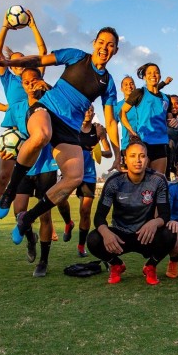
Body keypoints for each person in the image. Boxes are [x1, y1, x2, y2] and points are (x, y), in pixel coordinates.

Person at [0, 27, 122, 244]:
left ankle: (27, 218)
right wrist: (7, 63)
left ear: (115, 50)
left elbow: (110, 121)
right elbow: (40, 59)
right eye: (101, 42)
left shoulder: (108, 83)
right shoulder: (76, 56)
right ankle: (8, 194)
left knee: (74, 177)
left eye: (110, 45)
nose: (104, 48)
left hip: (69, 128)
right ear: (94, 43)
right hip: (46, 111)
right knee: (42, 134)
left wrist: (117, 154)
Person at [0, 8, 47, 241]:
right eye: (15, 60)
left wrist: (32, 25)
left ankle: (38, 224)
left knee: (37, 180)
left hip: (34, 128)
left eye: (23, 60)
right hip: (13, 131)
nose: (19, 63)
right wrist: (5, 27)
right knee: (2, 177)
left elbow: (42, 52)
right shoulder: (8, 77)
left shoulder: (34, 77)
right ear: (11, 64)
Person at [86, 140, 176, 285]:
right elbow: (99, 217)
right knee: (93, 239)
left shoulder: (158, 180)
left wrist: (154, 222)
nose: (138, 160)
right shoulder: (114, 182)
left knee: (170, 234)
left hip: (145, 235)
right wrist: (106, 233)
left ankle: (151, 266)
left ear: (147, 159)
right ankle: (116, 265)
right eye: (133, 156)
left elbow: (165, 214)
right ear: (125, 159)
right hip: (120, 237)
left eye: (142, 156)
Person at [9, 67, 60, 277]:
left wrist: (47, 89)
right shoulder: (16, 107)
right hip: (24, 167)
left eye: (35, 80)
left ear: (41, 80)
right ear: (21, 84)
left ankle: (44, 261)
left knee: (45, 215)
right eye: (26, 81)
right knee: (18, 211)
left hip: (47, 166)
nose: (30, 84)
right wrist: (3, 149)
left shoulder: (52, 104)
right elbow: (8, 135)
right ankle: (31, 238)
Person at [119, 62, 170, 174]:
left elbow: (168, 118)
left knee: (159, 181)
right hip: (143, 143)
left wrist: (173, 121)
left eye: (156, 72)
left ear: (160, 76)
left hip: (161, 144)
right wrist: (131, 131)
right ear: (145, 77)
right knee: (140, 182)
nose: (153, 75)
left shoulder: (166, 98)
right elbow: (122, 112)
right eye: (150, 73)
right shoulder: (140, 93)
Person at [75, 105, 113, 257]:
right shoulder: (72, 127)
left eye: (90, 110)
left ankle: (80, 246)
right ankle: (67, 223)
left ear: (93, 113)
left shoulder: (98, 130)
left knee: (85, 211)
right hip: (70, 173)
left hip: (88, 175)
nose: (87, 113)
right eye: (84, 109)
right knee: (60, 201)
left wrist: (98, 152)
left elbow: (109, 152)